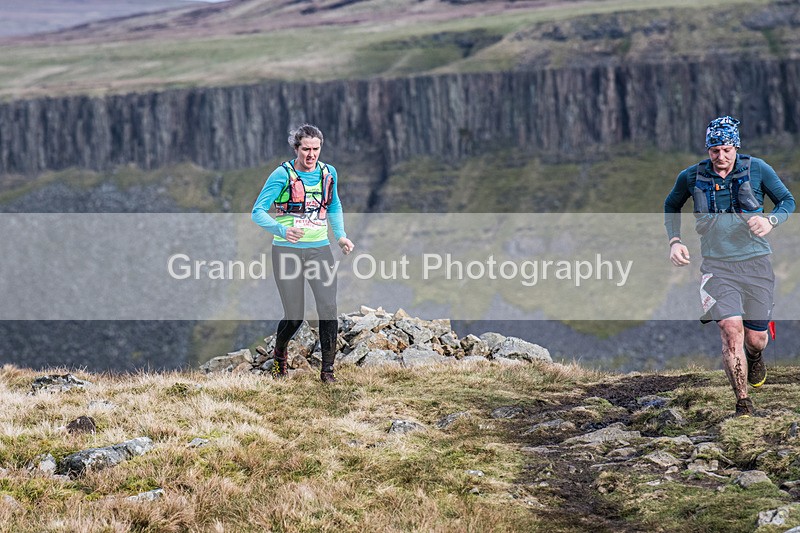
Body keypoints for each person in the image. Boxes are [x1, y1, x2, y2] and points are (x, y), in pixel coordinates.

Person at [664, 116, 794, 417]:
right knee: (729, 327)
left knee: (754, 337)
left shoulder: (758, 169)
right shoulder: (691, 176)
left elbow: (787, 201)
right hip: (717, 267)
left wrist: (770, 220)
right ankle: (743, 404)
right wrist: (675, 240)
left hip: (756, 264)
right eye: (714, 151)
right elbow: (671, 204)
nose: (720, 157)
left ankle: (756, 355)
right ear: (707, 149)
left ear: (735, 146)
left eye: (726, 150)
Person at [252, 124, 354, 383]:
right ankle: (279, 356)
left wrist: (340, 235)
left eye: (316, 149)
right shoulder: (281, 175)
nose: (311, 155)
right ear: (296, 148)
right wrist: (281, 230)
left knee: (328, 308)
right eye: (306, 149)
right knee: (295, 315)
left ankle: (328, 372)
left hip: (319, 250)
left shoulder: (328, 173)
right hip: (287, 252)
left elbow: (334, 204)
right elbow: (258, 212)